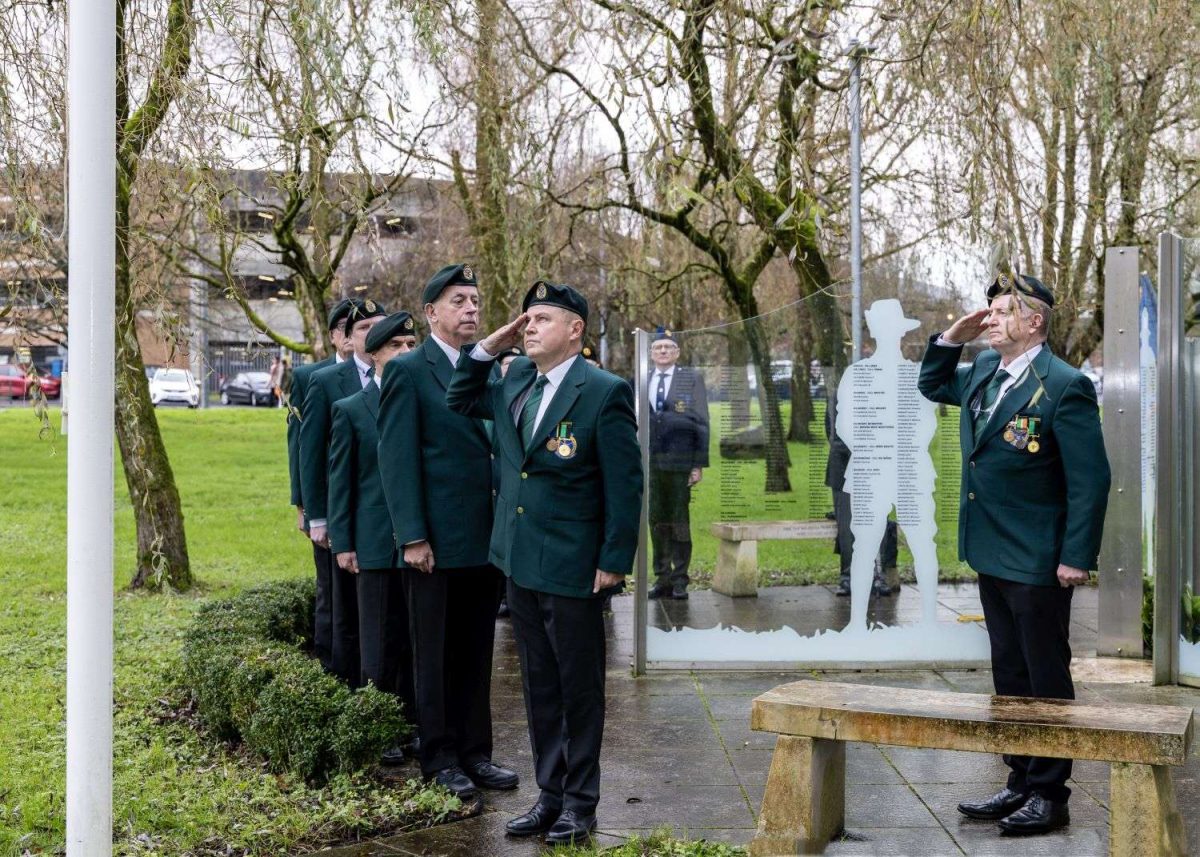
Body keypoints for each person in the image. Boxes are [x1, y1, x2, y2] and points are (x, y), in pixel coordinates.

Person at [447, 281, 642, 846]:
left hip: (574, 564)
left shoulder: (603, 391)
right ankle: (549, 796)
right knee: (539, 688)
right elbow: (460, 397)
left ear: (575, 330)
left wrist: (613, 559)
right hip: (519, 561)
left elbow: (625, 484)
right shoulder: (515, 381)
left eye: (541, 319)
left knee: (578, 689)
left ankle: (580, 804)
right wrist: (489, 346)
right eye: (526, 320)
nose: (528, 328)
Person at [918, 273, 1110, 836]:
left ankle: (1050, 793)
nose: (992, 319)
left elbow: (1090, 480)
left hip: (1038, 556)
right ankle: (1020, 778)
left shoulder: (1065, 385)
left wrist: (1076, 555)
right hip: (990, 549)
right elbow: (933, 384)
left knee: (1044, 674)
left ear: (1035, 321)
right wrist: (951, 338)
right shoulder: (983, 369)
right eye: (991, 310)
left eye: (1004, 311)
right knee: (1009, 670)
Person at [377, 263, 517, 800]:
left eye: (475, 301)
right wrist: (412, 535)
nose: (471, 309)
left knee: (477, 650)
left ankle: (476, 751)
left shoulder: (490, 369)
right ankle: (438, 757)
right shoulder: (408, 371)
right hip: (434, 542)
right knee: (434, 654)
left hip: (486, 537)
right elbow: (397, 459)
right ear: (431, 312)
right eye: (458, 301)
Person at [327, 311, 419, 765]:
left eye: (410, 346)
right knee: (379, 641)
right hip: (375, 542)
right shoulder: (350, 409)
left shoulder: (421, 399)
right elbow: (341, 482)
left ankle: (412, 723)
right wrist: (344, 542)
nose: (404, 353)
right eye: (395, 346)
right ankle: (379, 729)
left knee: (414, 640)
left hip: (418, 544)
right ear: (375, 354)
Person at [300, 298, 388, 686]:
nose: (372, 333)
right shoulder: (324, 382)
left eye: (378, 326)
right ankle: (342, 680)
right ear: (349, 337)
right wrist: (317, 516)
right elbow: (311, 453)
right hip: (343, 509)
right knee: (341, 603)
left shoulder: (400, 375)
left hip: (383, 513)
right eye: (364, 327)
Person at [837, 299, 939, 631]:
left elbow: (927, 423)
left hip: (909, 469)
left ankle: (930, 622)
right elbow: (845, 425)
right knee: (865, 547)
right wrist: (874, 451)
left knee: (922, 544)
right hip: (873, 470)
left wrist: (896, 450)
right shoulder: (857, 375)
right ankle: (856, 624)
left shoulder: (916, 374)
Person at [287, 299, 352, 672]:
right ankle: (327, 660)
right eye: (345, 328)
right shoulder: (310, 377)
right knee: (328, 586)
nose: (352, 334)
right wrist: (304, 506)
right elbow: (300, 445)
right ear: (333, 336)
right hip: (326, 498)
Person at [645, 328, 709, 600]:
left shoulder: (690, 379)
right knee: (656, 520)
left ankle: (680, 579)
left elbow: (702, 422)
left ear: (677, 352)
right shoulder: (642, 379)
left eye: (668, 347)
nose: (663, 351)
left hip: (680, 461)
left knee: (679, 520)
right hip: (651, 462)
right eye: (658, 347)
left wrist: (698, 464)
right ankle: (662, 577)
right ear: (651, 353)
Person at [824, 385, 898, 599]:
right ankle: (848, 577)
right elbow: (833, 432)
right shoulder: (840, 394)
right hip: (844, 468)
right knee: (847, 526)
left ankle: (878, 575)